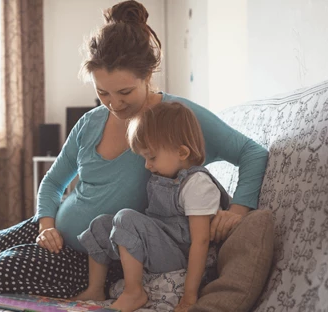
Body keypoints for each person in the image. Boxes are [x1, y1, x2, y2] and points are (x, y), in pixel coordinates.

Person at [0, 0, 268, 303]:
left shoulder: (174, 118)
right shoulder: (90, 122)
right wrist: (46, 225)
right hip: (53, 232)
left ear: (147, 76)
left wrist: (237, 211)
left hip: (97, 256)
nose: (114, 104)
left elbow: (251, 153)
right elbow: (53, 182)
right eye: (103, 93)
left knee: (3, 272)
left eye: (125, 92)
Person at [73, 102, 230, 312]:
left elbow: (200, 241)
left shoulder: (197, 184)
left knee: (125, 218)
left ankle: (133, 292)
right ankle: (95, 288)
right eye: (145, 157)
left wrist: (190, 296)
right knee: (101, 223)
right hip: (160, 244)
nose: (147, 165)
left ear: (182, 152)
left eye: (152, 157)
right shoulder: (163, 175)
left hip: (179, 257)